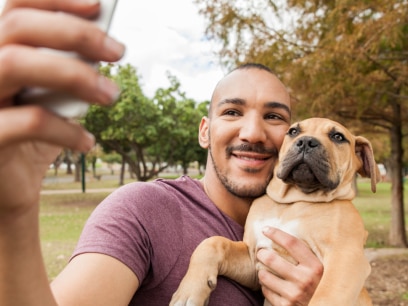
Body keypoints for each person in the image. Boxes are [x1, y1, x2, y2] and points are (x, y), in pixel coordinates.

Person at [0, 1, 323, 305]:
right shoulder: (144, 211)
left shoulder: (314, 227)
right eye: (232, 112)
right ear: (204, 132)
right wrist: (13, 216)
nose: (253, 133)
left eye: (274, 117)